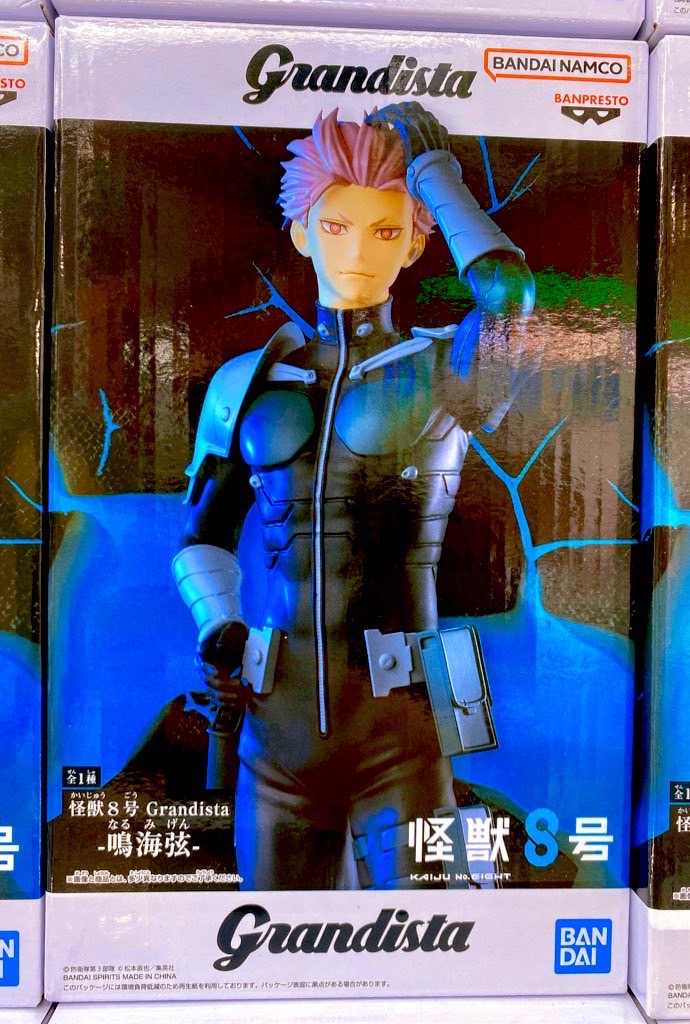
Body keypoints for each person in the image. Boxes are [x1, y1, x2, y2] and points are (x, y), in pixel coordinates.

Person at [172, 102, 535, 890]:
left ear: (415, 243)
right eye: (336, 226)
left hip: (406, 722)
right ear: (302, 233)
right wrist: (217, 621)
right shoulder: (249, 382)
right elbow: (201, 537)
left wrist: (434, 176)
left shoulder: (444, 369)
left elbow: (508, 293)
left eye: (385, 229)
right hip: (274, 726)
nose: (358, 252)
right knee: (274, 948)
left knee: (430, 943)